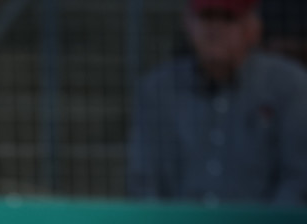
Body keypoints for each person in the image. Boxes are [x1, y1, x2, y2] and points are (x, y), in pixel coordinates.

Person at [127, 0, 307, 205]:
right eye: (207, 16)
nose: (215, 28)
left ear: (253, 27)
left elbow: (299, 179)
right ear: (187, 22)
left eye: (228, 18)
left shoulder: (290, 87)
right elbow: (142, 183)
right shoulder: (157, 90)